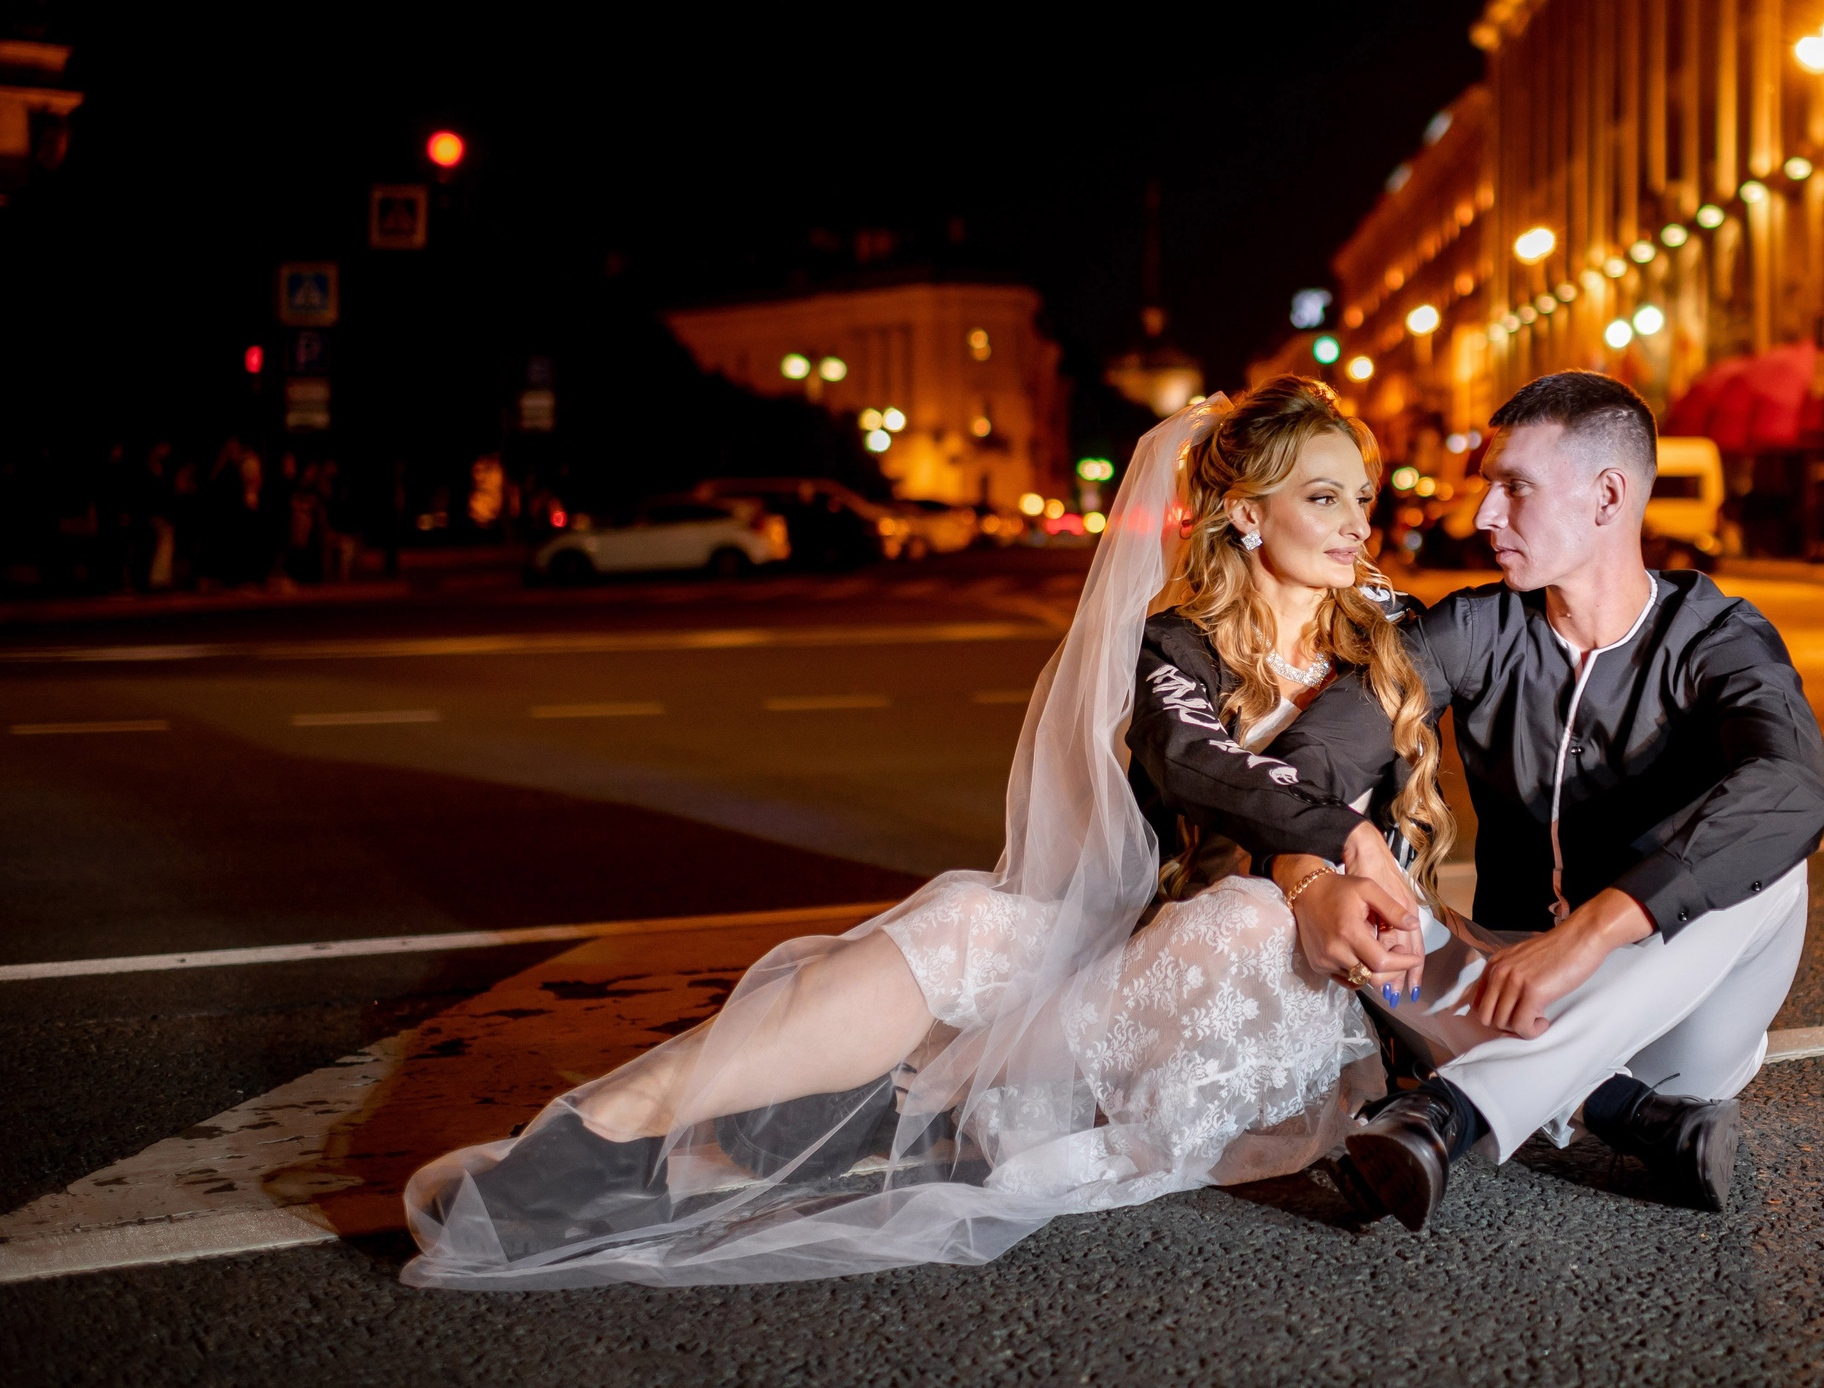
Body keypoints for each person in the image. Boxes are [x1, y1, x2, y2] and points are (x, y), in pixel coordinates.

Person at [403, 378, 1440, 1290]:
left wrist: (1343, 857)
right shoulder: (1175, 640)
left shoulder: (1386, 634)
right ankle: (602, 1134)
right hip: (1142, 953)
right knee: (966, 918)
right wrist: (1340, 836)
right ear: (1246, 513)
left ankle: (920, 1093)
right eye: (1324, 496)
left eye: (1362, 496)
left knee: (1242, 916)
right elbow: (1190, 761)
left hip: (1292, 983)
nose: (1357, 522)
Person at [1330, 371, 1824, 1232]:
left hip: (1678, 1019)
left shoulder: (1716, 635)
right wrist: (1342, 851)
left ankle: (1451, 1112)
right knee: (1345, 903)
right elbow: (1323, 747)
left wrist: (1595, 930)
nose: (1484, 514)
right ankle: (1635, 1118)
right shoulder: (1477, 627)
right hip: (1503, 993)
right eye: (1489, 486)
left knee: (1770, 858)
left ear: (1607, 497)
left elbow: (1794, 784)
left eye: (1515, 486)